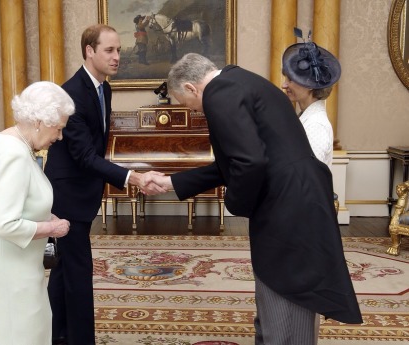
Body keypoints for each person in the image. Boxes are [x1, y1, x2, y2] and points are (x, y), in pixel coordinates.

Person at [147, 53, 363, 345]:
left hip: (288, 206)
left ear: (191, 88)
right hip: (297, 198)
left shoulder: (218, 94)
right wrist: (172, 181)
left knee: (287, 294)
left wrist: (237, 204)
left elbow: (250, 163)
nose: (195, 110)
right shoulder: (240, 80)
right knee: (278, 291)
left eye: (188, 104)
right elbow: (237, 162)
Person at [44, 24, 165, 345]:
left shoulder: (103, 88)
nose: (117, 57)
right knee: (78, 272)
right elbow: (84, 155)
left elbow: (97, 148)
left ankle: (56, 334)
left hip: (83, 189)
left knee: (64, 270)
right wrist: (134, 177)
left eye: (119, 50)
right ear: (89, 51)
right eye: (109, 50)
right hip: (67, 193)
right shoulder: (71, 93)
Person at [0, 81, 75, 345]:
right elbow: (6, 223)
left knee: (0, 326)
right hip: (7, 262)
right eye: (58, 128)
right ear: (39, 121)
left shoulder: (3, 141)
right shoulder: (14, 154)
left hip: (2, 257)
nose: (59, 136)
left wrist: (44, 216)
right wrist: (53, 228)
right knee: (18, 328)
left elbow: (13, 201)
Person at [281, 35, 340, 169]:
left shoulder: (316, 125)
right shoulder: (307, 118)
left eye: (290, 80)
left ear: (309, 84)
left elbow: (309, 177)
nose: (284, 85)